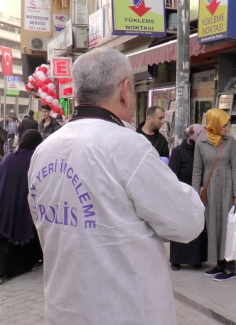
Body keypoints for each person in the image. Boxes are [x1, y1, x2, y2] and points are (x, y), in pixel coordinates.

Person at [27, 48, 205, 324]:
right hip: (125, 311)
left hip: (64, 310)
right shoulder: (127, 145)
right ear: (124, 90)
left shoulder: (44, 150)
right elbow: (188, 222)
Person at [0, 130, 44, 284]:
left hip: (3, 206)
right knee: (23, 236)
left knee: (2, 242)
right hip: (22, 208)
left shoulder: (9, 158)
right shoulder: (34, 160)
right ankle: (8, 270)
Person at [192, 108, 236, 282]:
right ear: (215, 124)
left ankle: (230, 267)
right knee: (213, 226)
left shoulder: (230, 142)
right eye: (225, 125)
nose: (227, 128)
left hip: (227, 190)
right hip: (210, 190)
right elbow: (197, 170)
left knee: (228, 228)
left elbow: (235, 168)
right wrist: (194, 195)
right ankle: (220, 264)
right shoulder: (201, 143)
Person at [169, 124, 208, 271]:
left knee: (196, 225)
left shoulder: (200, 151)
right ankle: (176, 259)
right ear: (192, 135)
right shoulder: (178, 151)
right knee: (180, 226)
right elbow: (172, 175)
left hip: (196, 195)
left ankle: (195, 258)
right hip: (181, 195)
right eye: (200, 134)